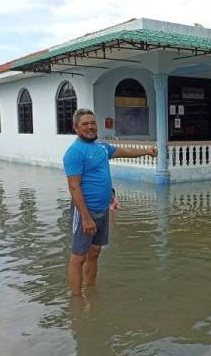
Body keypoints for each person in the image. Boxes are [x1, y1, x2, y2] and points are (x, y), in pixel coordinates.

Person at [63, 108, 157, 296]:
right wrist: (85, 218)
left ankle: (90, 289)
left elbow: (123, 151)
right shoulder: (74, 153)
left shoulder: (101, 147)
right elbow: (74, 188)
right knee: (78, 257)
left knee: (95, 251)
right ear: (76, 128)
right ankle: (76, 300)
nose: (90, 127)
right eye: (85, 124)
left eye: (92, 123)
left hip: (102, 210)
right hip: (85, 212)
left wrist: (146, 151)